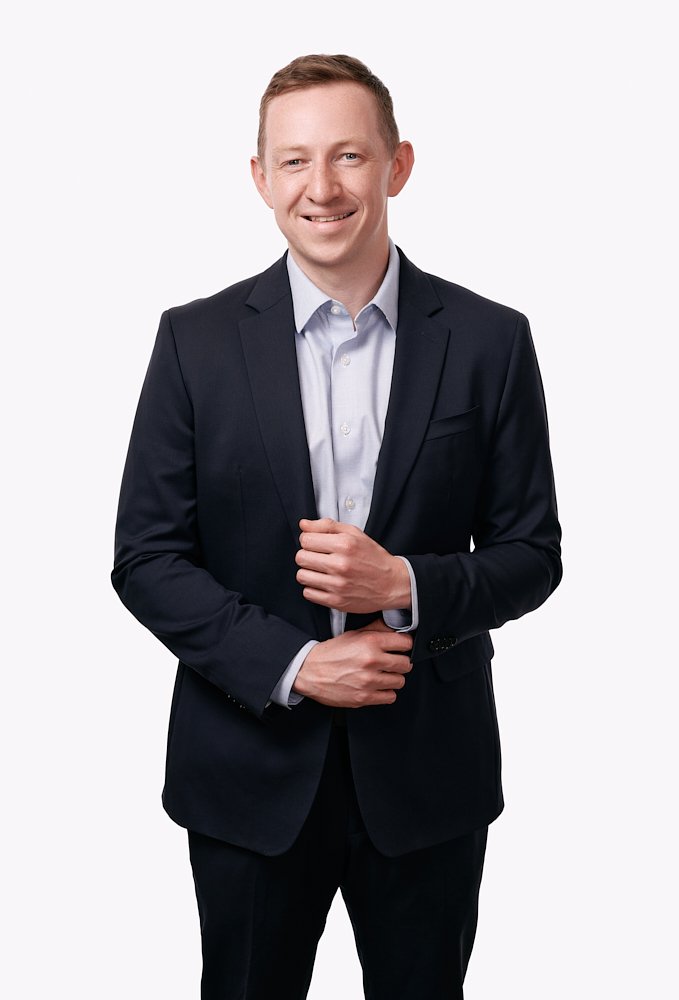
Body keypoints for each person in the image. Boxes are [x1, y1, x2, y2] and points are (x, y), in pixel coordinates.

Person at [112, 53, 562, 1000]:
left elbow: (532, 554)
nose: (321, 189)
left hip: (428, 777)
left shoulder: (489, 340)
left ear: (397, 165)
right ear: (260, 178)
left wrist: (402, 587)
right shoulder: (192, 343)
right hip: (246, 774)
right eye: (293, 162)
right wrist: (296, 665)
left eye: (349, 156)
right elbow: (147, 557)